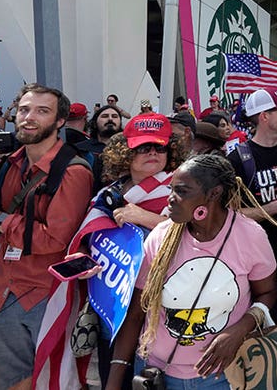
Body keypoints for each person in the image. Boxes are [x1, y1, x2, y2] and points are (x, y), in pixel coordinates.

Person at [0, 83, 94, 390]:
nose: (29, 117)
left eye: (42, 111)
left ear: (60, 121)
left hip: (45, 296)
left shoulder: (73, 172)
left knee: (53, 382)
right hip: (1, 292)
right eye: (24, 109)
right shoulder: (9, 163)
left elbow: (55, 240)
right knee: (8, 383)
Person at [107, 154, 277, 390]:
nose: (170, 200)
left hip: (221, 377)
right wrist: (114, 380)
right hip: (156, 375)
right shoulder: (161, 236)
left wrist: (240, 329)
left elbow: (267, 293)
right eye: (171, 190)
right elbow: (136, 313)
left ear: (213, 194)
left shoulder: (250, 236)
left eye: (182, 191)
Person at [93, 113, 188, 388]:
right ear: (126, 151)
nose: (153, 153)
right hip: (113, 300)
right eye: (143, 147)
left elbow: (197, 231)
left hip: (160, 305)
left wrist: (144, 218)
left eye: (160, 147)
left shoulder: (182, 187)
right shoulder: (109, 192)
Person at [226, 88, 277, 363]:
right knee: (265, 327)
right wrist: (273, 208)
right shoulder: (239, 160)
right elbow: (228, 214)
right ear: (264, 117)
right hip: (259, 259)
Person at [77, 103, 125, 188]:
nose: (110, 119)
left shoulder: (127, 149)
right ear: (95, 123)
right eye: (105, 116)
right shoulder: (80, 149)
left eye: (114, 116)